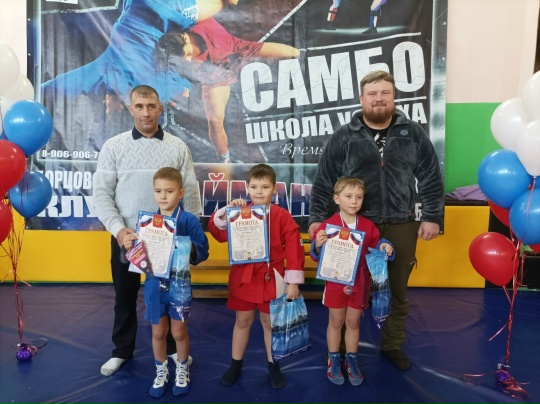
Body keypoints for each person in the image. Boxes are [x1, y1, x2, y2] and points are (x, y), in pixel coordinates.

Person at [308, 70, 444, 371]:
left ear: (394, 96)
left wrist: (432, 216)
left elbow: (431, 176)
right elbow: (324, 181)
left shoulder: (413, 133)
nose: (379, 99)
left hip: (401, 224)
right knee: (346, 286)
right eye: (373, 93)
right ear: (362, 99)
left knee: (397, 291)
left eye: (385, 93)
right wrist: (317, 219)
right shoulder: (345, 136)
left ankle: (392, 344)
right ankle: (339, 350)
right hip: (353, 227)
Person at [93, 85, 201, 377]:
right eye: (139, 106)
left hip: (168, 241)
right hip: (127, 239)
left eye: (151, 106)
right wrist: (119, 231)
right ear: (130, 109)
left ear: (160, 109)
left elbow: (190, 194)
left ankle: (171, 350)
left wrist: (187, 235)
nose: (145, 113)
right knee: (124, 298)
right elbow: (101, 195)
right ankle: (121, 351)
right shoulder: (114, 146)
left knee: (167, 298)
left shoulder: (177, 147)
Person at [207, 164, 305, 388]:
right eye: (254, 187)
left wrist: (293, 282)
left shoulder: (282, 215)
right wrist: (228, 211)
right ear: (247, 188)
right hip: (244, 277)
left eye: (265, 187)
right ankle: (235, 364)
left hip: (272, 278)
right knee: (242, 321)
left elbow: (294, 248)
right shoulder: (241, 213)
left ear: (274, 189)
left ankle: (273, 365)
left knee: (269, 323)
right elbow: (217, 232)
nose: (259, 191)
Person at [156, 19, 300, 163]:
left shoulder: (220, 46)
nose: (188, 59)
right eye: (184, 58)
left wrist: (186, 86)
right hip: (207, 70)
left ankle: (302, 54)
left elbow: (204, 75)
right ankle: (225, 162)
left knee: (295, 53)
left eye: (188, 54)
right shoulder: (174, 33)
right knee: (215, 121)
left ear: (186, 40)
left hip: (222, 65)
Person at [122, 167, 209, 397]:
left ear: (180, 193)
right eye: (158, 191)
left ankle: (182, 367)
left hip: (179, 286)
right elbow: (138, 258)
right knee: (158, 333)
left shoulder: (188, 220)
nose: (163, 196)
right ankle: (161, 370)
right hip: (154, 285)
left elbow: (203, 251)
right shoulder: (147, 222)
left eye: (169, 191)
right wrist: (129, 248)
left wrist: (186, 246)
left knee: (178, 332)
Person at [310, 177, 394, 386]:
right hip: (335, 283)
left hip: (359, 284)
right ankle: (333, 359)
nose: (354, 201)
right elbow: (317, 256)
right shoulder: (328, 226)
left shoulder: (367, 225)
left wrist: (385, 246)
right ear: (337, 198)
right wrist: (318, 245)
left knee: (353, 322)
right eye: (348, 196)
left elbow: (377, 244)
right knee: (336, 322)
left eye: (359, 197)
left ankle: (352, 360)